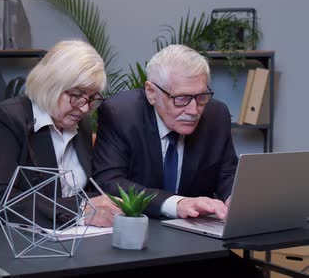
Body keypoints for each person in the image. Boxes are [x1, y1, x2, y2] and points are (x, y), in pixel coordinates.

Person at [0, 40, 121, 229]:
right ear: (50, 85)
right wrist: (79, 210)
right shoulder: (8, 119)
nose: (85, 108)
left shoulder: (81, 126)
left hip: (65, 239)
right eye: (76, 95)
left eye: (92, 98)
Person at [93, 44, 236, 220]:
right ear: (151, 92)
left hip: (197, 230)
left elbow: (227, 173)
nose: (193, 110)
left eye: (201, 97)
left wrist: (233, 199)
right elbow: (110, 182)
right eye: (182, 98)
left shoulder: (216, 115)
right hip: (140, 226)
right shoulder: (121, 114)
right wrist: (176, 204)